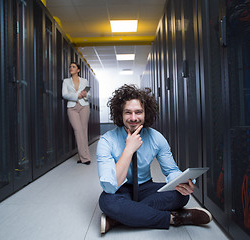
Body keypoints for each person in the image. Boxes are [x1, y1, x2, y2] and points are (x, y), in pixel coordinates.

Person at [96, 84, 212, 234]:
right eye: (128, 113)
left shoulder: (156, 138)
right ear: (120, 114)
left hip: (145, 187)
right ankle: (175, 218)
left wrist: (183, 182)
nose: (133, 118)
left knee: (180, 196)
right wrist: (129, 150)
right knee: (107, 202)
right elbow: (110, 186)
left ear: (146, 113)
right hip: (120, 189)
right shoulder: (106, 141)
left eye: (138, 112)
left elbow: (171, 171)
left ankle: (119, 218)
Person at [62, 62, 91, 165]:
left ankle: (84, 157)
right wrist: (76, 96)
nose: (71, 68)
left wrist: (85, 94)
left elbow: (89, 93)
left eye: (73, 67)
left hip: (84, 106)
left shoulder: (84, 81)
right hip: (72, 108)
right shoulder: (66, 81)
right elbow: (64, 94)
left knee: (84, 131)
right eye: (70, 67)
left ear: (78, 70)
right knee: (78, 130)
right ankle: (85, 157)